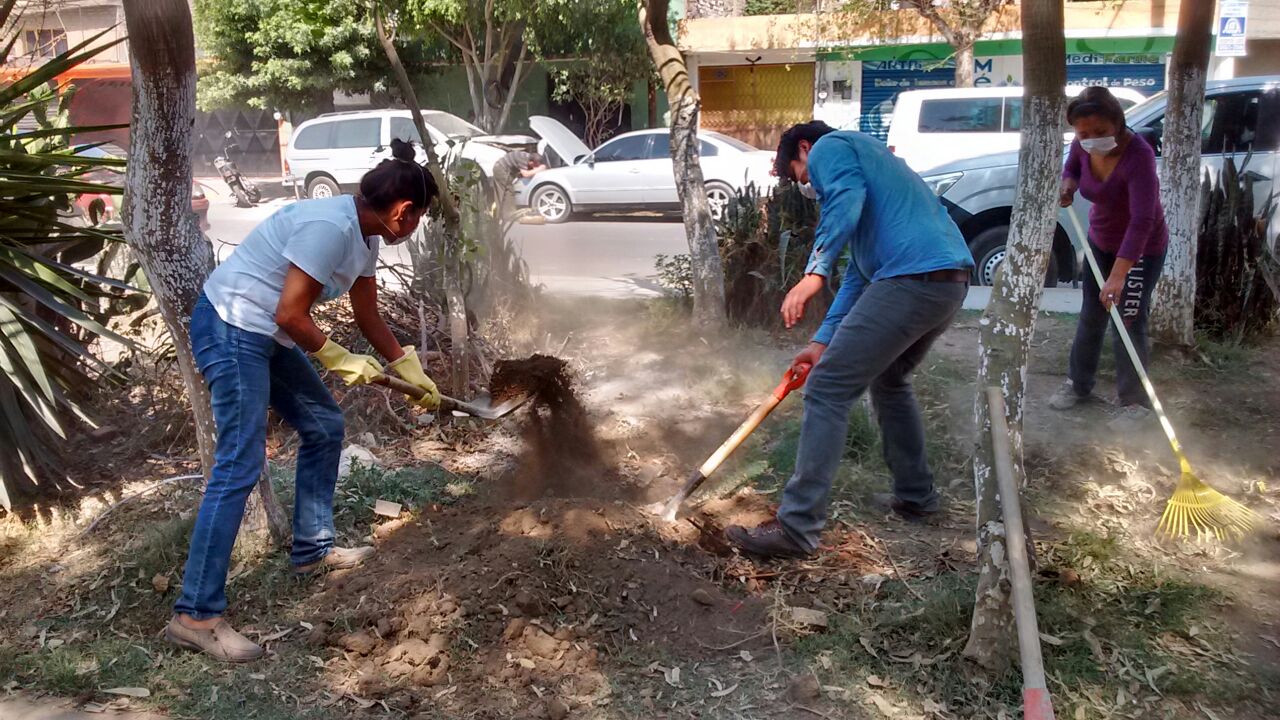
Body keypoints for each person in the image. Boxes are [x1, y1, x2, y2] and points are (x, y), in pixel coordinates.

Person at [165, 139, 442, 662]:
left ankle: (312, 551)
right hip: (232, 326)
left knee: (323, 425)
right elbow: (291, 315)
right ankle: (195, 616)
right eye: (421, 217)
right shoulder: (328, 228)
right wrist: (340, 359)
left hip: (266, 334)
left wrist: (407, 365)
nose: (417, 225)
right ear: (404, 212)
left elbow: (367, 315)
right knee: (239, 464)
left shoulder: (366, 234)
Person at [725, 121, 974, 559]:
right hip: (947, 282)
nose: (811, 188)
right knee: (890, 380)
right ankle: (917, 498)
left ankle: (797, 529)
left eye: (803, 177)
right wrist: (820, 343)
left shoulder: (831, 146)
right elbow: (859, 280)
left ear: (804, 148)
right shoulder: (876, 196)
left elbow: (843, 199)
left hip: (912, 279)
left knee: (827, 390)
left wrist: (813, 272)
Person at [1049, 86, 1168, 430]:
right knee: (1091, 314)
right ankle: (1078, 384)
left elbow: (1142, 220)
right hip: (1100, 241)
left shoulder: (1139, 157)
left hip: (1140, 248)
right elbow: (1071, 167)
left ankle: (1134, 403)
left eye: (1100, 132)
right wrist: (1068, 185)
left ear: (1118, 123)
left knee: (1128, 321)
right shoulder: (1081, 145)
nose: (1091, 140)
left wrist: (1119, 275)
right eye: (1083, 133)